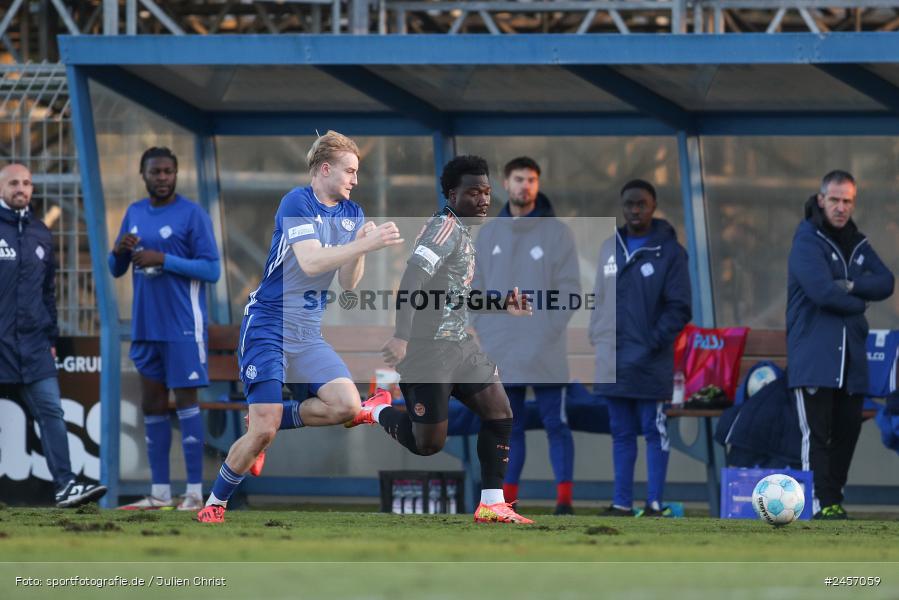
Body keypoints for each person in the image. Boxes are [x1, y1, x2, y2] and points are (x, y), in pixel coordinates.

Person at [197, 131, 403, 524]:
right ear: (325, 169)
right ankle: (215, 504)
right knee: (263, 431)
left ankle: (267, 418)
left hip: (307, 332)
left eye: (357, 173)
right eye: (350, 171)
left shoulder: (352, 213)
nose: (355, 180)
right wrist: (367, 244)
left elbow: (349, 282)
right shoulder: (297, 201)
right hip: (268, 325)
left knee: (348, 406)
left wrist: (361, 242)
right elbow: (310, 262)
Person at [351, 155, 534, 524]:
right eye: (473, 192)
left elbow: (455, 296)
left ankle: (492, 504)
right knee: (427, 445)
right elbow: (411, 284)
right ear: (453, 194)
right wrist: (402, 337)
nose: (483, 199)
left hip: (460, 347)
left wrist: (502, 305)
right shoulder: (444, 229)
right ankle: (376, 410)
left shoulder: (463, 233)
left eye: (486, 191)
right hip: (428, 351)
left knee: (500, 413)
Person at [109, 148, 221, 511]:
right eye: (155, 172)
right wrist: (119, 251)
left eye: (168, 171)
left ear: (176, 174)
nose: (162, 177)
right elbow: (115, 269)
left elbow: (211, 270)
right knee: (152, 405)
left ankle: (192, 492)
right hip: (146, 326)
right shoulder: (135, 212)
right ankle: (159, 492)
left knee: (186, 404)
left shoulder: (192, 214)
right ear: (143, 174)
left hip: (182, 327)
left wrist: (164, 260)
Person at [471, 156, 579, 515]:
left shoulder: (557, 233)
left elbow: (570, 292)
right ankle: (506, 501)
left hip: (546, 350)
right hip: (503, 350)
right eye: (519, 179)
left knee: (556, 424)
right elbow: (477, 293)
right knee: (507, 425)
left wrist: (544, 333)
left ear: (538, 184)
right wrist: (489, 335)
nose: (525, 186)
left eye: (532, 179)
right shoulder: (489, 234)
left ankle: (564, 502)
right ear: (506, 183)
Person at [787, 170, 894, 520]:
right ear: (821, 200)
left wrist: (847, 286)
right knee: (815, 436)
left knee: (847, 432)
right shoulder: (807, 241)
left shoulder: (858, 243)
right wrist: (858, 301)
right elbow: (820, 293)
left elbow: (886, 283)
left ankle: (832, 501)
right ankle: (816, 503)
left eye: (847, 200)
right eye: (834, 199)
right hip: (815, 357)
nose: (840, 207)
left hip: (852, 360)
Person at [0, 163, 107, 508]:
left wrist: (50, 340)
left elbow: (49, 293)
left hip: (33, 346)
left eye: (27, 183)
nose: (21, 188)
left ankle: (66, 486)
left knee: (52, 413)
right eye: (14, 182)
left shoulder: (40, 233)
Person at [589, 179, 691, 517]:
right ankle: (621, 503)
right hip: (613, 357)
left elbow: (680, 307)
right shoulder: (609, 247)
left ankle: (654, 503)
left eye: (641, 204)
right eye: (629, 204)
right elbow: (599, 298)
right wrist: (596, 334)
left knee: (653, 429)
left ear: (653, 205)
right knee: (620, 432)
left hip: (651, 359)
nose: (635, 210)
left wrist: (652, 340)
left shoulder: (671, 252)